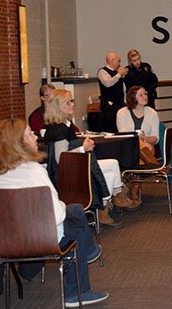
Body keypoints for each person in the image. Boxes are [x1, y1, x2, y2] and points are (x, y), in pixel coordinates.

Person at [0, 119, 109, 308]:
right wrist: (61, 204)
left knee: (74, 211)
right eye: (30, 134)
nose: (35, 136)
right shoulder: (33, 170)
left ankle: (88, 252)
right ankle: (78, 290)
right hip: (40, 239)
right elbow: (55, 216)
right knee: (74, 214)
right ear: (18, 143)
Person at [44, 89, 141, 229]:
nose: (72, 105)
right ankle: (103, 210)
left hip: (75, 166)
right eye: (68, 102)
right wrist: (83, 148)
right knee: (108, 175)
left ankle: (117, 198)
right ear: (58, 106)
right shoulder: (59, 129)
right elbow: (61, 159)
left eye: (72, 101)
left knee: (113, 163)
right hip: (67, 175)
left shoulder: (65, 125)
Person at [117, 86, 161, 202]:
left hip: (147, 147)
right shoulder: (122, 113)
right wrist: (138, 139)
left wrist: (144, 138)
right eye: (141, 95)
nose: (145, 97)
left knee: (144, 146)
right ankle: (151, 165)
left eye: (145, 94)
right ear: (132, 97)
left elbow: (156, 138)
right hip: (127, 148)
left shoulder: (152, 113)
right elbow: (123, 136)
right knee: (139, 145)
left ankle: (135, 184)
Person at [97, 52, 128, 132]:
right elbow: (108, 83)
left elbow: (123, 88)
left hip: (120, 104)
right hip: (109, 106)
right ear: (112, 60)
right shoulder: (102, 71)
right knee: (111, 128)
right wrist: (119, 74)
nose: (119, 63)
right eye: (118, 61)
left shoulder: (117, 73)